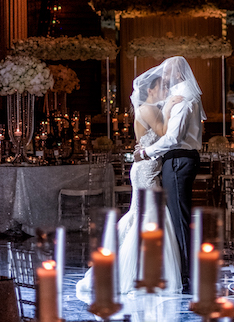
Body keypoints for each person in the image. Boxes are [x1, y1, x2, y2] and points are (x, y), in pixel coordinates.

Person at [76, 73, 183, 302]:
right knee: (150, 215)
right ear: (151, 90)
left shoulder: (150, 108)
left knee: (142, 215)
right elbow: (164, 133)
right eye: (162, 87)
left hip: (148, 166)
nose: (166, 90)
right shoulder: (147, 109)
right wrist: (170, 107)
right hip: (146, 169)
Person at [133, 56, 205, 293]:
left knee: (179, 218)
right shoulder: (180, 98)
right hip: (177, 159)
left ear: (178, 75)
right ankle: (185, 271)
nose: (165, 78)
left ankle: (187, 275)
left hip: (178, 159)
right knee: (177, 217)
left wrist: (145, 152)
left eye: (167, 75)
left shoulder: (183, 100)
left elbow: (173, 138)